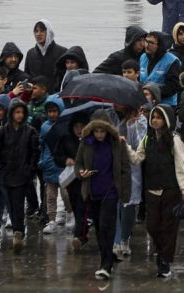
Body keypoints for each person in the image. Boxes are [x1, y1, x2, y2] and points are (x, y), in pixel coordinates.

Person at [76, 116, 132, 280]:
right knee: (100, 229)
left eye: (102, 131)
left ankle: (106, 264)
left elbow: (125, 169)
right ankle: (106, 258)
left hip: (111, 191)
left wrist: (125, 193)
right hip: (93, 192)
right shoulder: (86, 143)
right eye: (96, 131)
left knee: (106, 226)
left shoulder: (116, 143)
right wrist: (81, 173)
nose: (99, 135)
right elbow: (78, 164)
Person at [0, 97, 40, 252]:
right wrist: (1, 169)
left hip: (22, 176)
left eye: (22, 112)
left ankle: (18, 231)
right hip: (7, 175)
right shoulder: (2, 131)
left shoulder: (30, 131)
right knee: (10, 204)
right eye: (16, 112)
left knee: (18, 204)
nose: (19, 116)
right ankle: (18, 230)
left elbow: (35, 152)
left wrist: (29, 170)